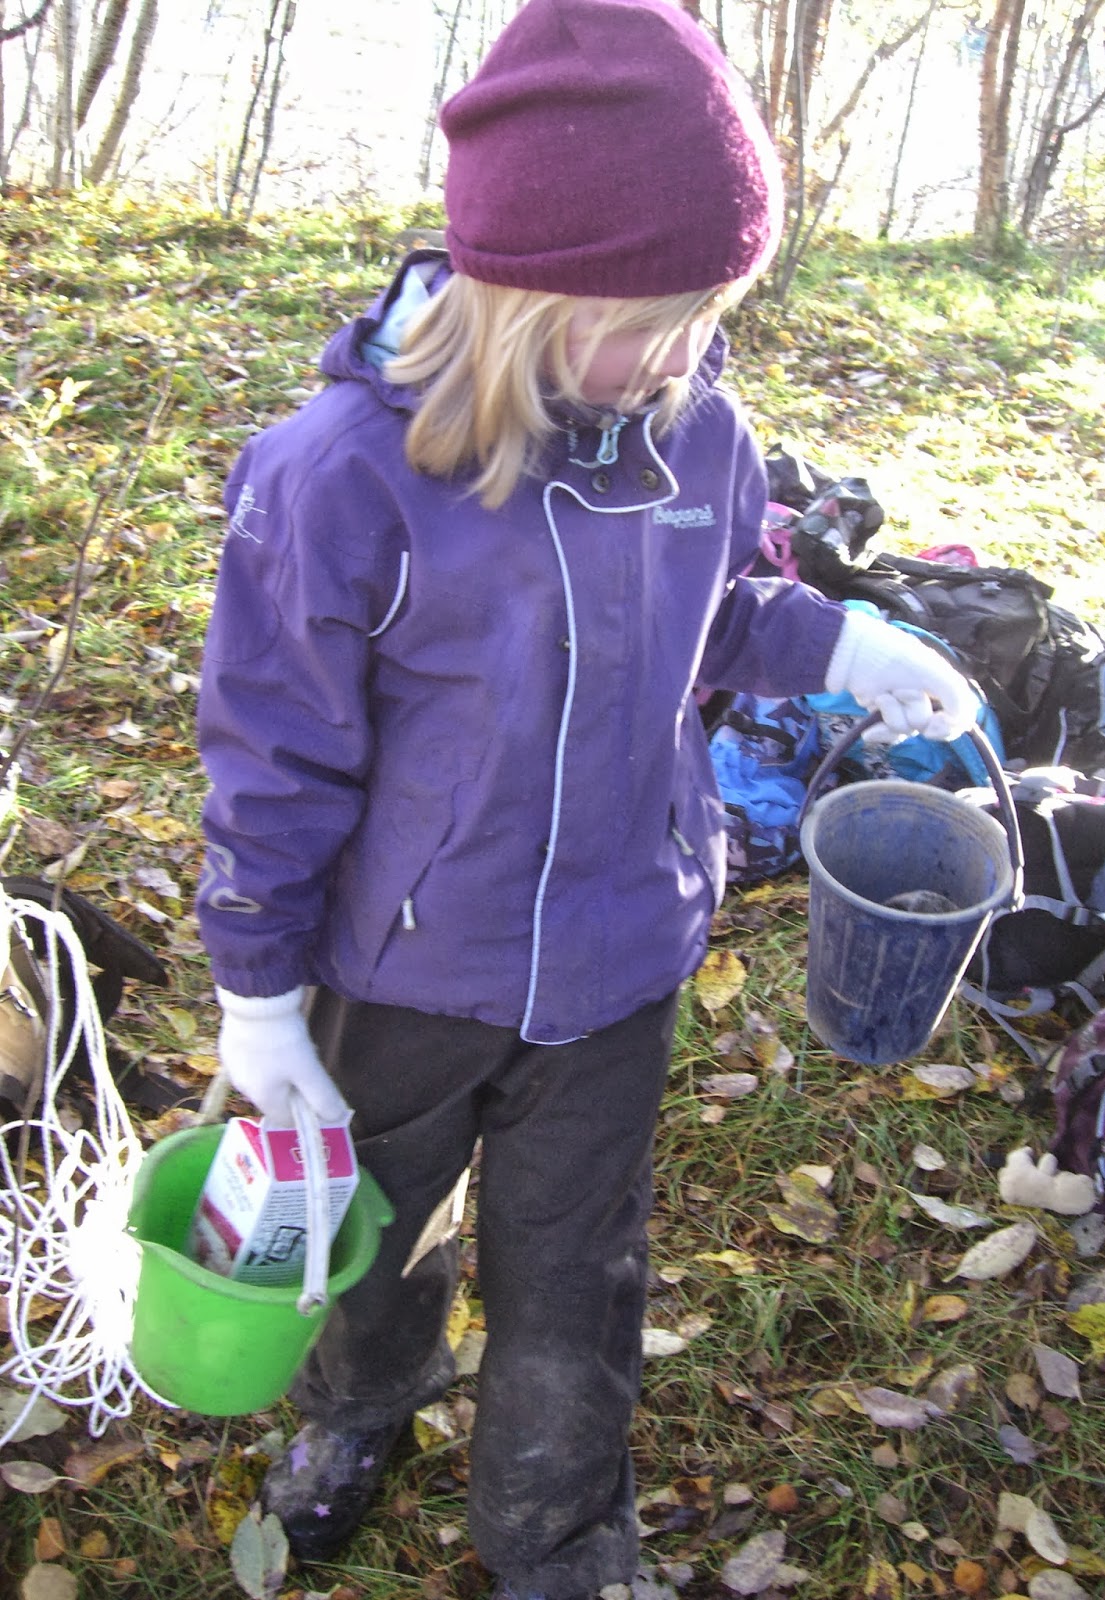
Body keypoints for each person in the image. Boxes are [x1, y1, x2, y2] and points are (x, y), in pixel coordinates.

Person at [196, 0, 979, 1592]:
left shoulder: (695, 430)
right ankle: (364, 1406)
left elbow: (717, 616)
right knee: (383, 1224)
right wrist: (258, 996)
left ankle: (559, 1537)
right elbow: (275, 753)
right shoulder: (343, 476)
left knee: (575, 1265)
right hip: (405, 962)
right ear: (526, 288)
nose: (689, 352)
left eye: (714, 312)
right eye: (659, 315)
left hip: (621, 945)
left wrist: (847, 638)